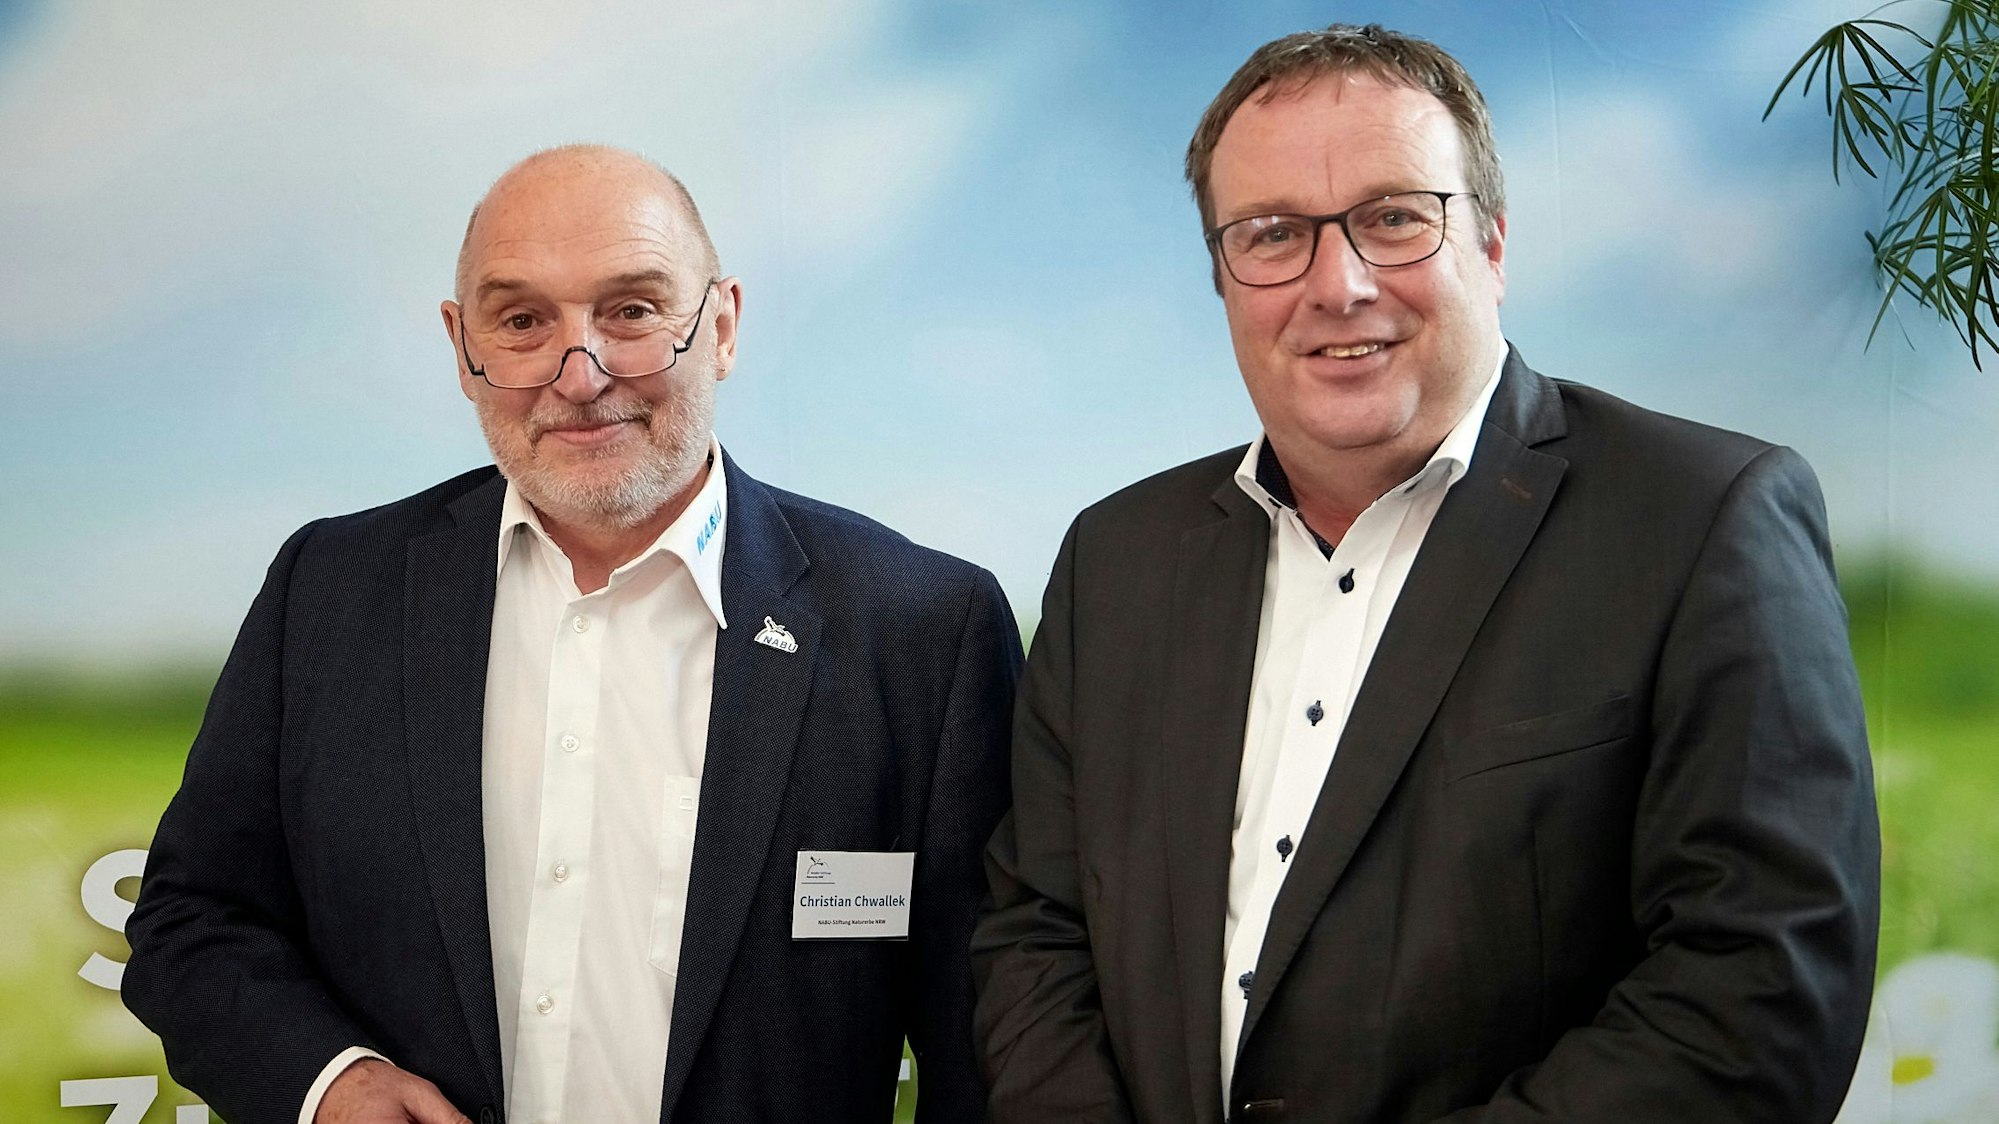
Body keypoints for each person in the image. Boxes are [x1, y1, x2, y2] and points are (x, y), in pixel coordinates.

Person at [972, 23, 1879, 1124]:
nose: (1338, 283)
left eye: (1394, 218)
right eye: (1271, 235)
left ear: (1492, 246)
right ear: (1221, 277)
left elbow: (1758, 989)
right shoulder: (1113, 559)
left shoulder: (1701, 519)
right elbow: (1035, 929)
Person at [124, 144, 1019, 1124]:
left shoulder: (922, 626)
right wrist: (331, 1082)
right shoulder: (330, 590)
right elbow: (193, 917)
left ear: (720, 326)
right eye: (521, 322)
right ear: (462, 347)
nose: (579, 373)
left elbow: (988, 1035)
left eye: (632, 310)